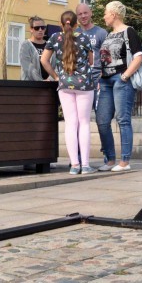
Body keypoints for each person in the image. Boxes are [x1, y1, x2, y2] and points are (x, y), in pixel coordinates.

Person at [41, 10, 98, 174]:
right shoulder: (84, 38)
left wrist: (56, 76)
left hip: (64, 84)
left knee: (70, 124)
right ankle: (85, 165)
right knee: (84, 123)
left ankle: (74, 165)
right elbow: (91, 60)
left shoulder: (54, 38)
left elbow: (43, 60)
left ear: (61, 24)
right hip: (84, 84)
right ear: (76, 25)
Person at [96, 0, 142, 171]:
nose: (104, 16)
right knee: (102, 120)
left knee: (123, 120)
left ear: (114, 15)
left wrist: (125, 76)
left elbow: (139, 56)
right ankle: (109, 159)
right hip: (105, 81)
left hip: (121, 79)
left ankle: (124, 161)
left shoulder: (129, 31)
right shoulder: (109, 35)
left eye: (105, 13)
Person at [19, 16, 49, 81]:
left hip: (49, 85)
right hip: (31, 86)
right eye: (37, 28)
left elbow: (55, 65)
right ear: (31, 29)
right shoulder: (26, 46)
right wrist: (41, 81)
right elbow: (28, 67)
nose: (40, 30)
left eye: (43, 27)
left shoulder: (50, 45)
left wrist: (50, 79)